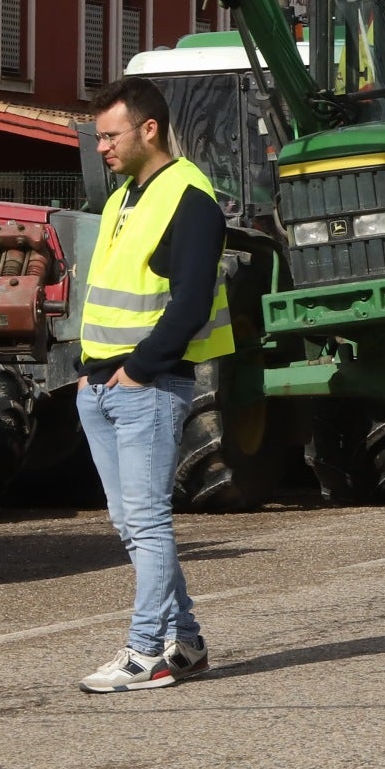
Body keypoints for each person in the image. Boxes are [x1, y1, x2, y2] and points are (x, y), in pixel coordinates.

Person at [72, 76, 231, 695]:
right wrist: (93, 379)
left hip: (146, 384)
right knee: (130, 523)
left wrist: (138, 369)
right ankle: (184, 643)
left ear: (149, 129)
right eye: (98, 137)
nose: (102, 148)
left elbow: (189, 302)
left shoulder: (190, 198)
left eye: (110, 136)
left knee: (146, 521)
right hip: (103, 385)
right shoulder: (121, 200)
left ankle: (145, 652)